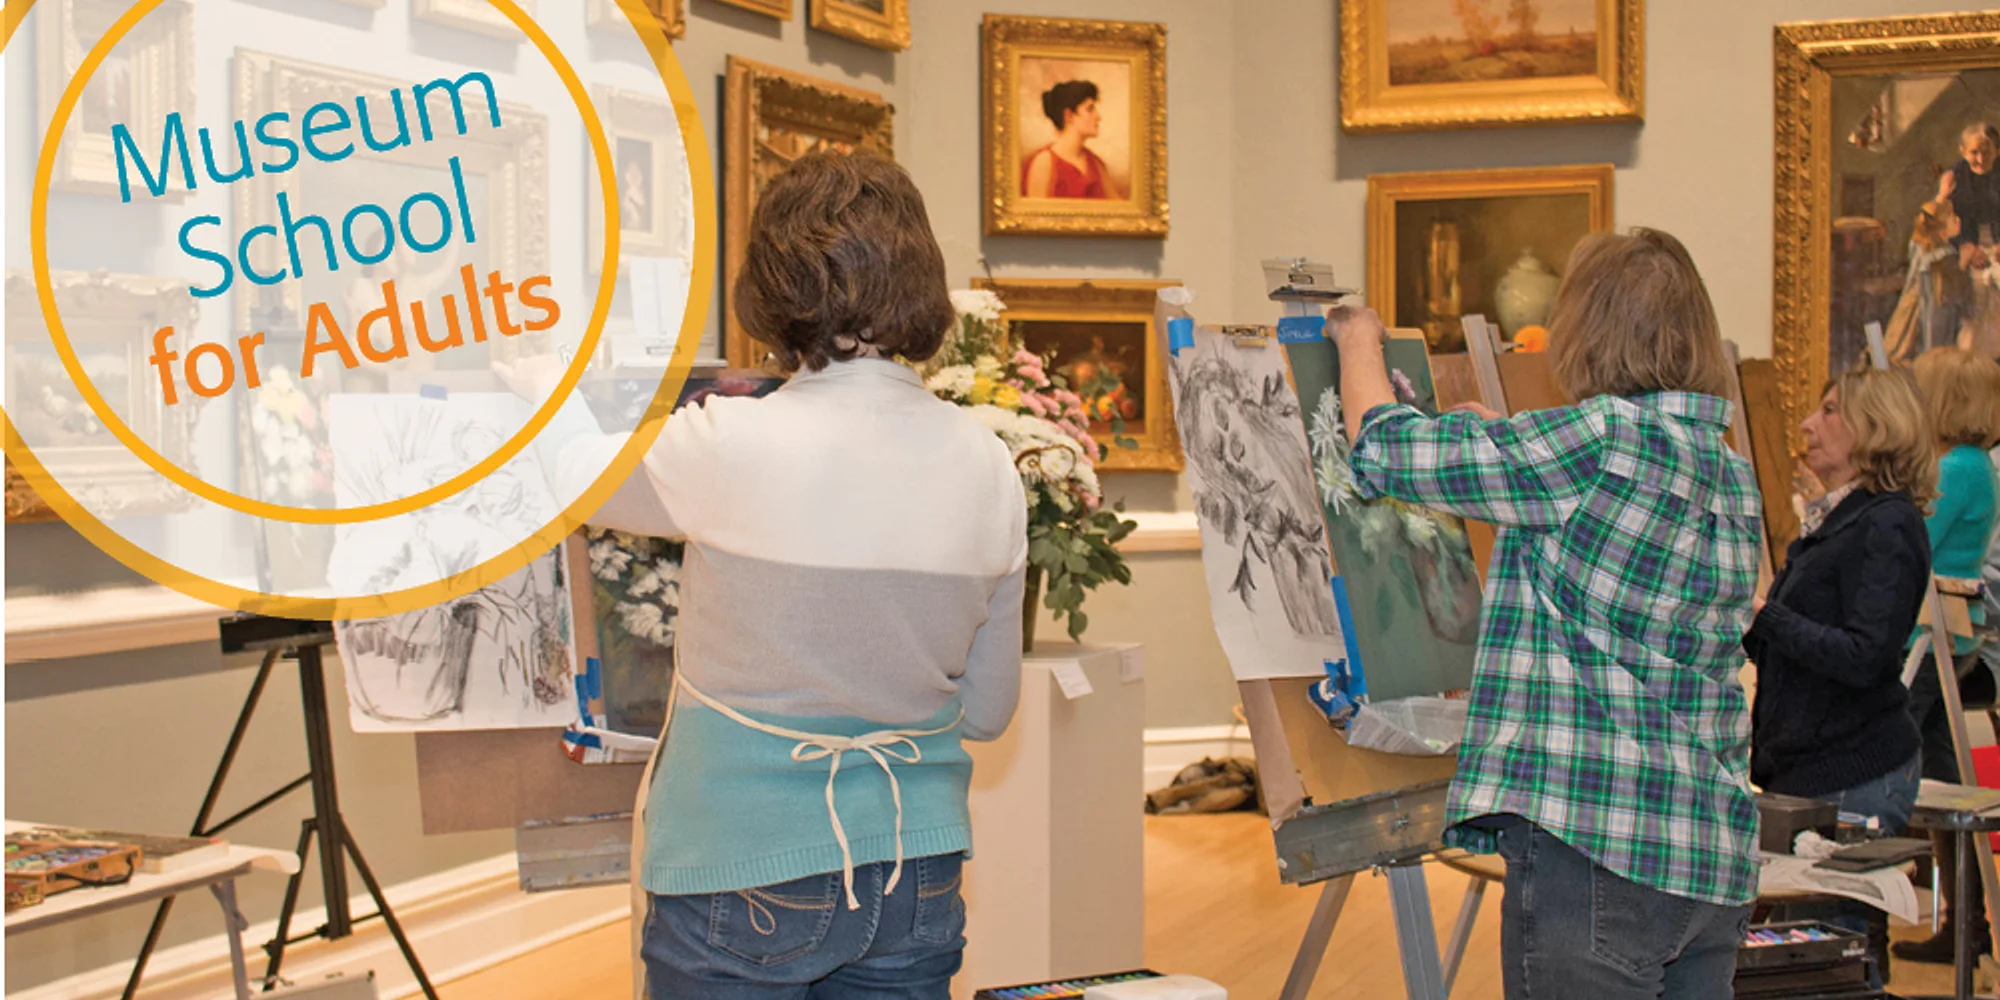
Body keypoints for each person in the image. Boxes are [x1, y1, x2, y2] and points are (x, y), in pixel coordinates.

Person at [500, 152, 1028, 999]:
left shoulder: (729, 443)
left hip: (736, 863)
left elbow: (574, 476)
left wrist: (539, 384)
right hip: (918, 869)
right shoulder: (991, 467)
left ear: (774, 286)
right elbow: (990, 713)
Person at [1328, 228, 1763, 999]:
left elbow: (1382, 451)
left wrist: (1357, 338)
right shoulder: (1726, 467)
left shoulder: (1595, 444)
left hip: (1600, 848)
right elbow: (1604, 537)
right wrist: (1500, 439)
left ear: (1588, 330)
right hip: (1706, 856)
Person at [1747, 365, 1938, 983]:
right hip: (1811, 771)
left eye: (1829, 410)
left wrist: (1767, 617)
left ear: (1877, 426)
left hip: (1853, 773)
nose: (1808, 424)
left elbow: (1865, 656)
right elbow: (1800, 645)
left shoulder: (1887, 523)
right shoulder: (1839, 519)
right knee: (1814, 965)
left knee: (1835, 965)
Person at [1894, 348, 2000, 964]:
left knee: (1886, 765)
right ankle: (1966, 927)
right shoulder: (1972, 464)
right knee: (1943, 783)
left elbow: (1913, 536)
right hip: (1945, 638)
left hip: (1931, 639)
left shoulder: (1958, 467)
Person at [1883, 200, 1968, 362]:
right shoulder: (1944, 256)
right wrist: (1964, 262)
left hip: (1925, 305)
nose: (1958, 220)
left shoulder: (1924, 249)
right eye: (1953, 218)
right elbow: (1955, 289)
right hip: (1935, 308)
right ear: (1942, 231)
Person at [1020, 80, 1121, 200]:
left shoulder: (1096, 164)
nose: (1098, 117)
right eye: (1090, 109)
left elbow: (1117, 207)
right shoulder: (1045, 162)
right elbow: (1035, 211)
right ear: (1069, 115)